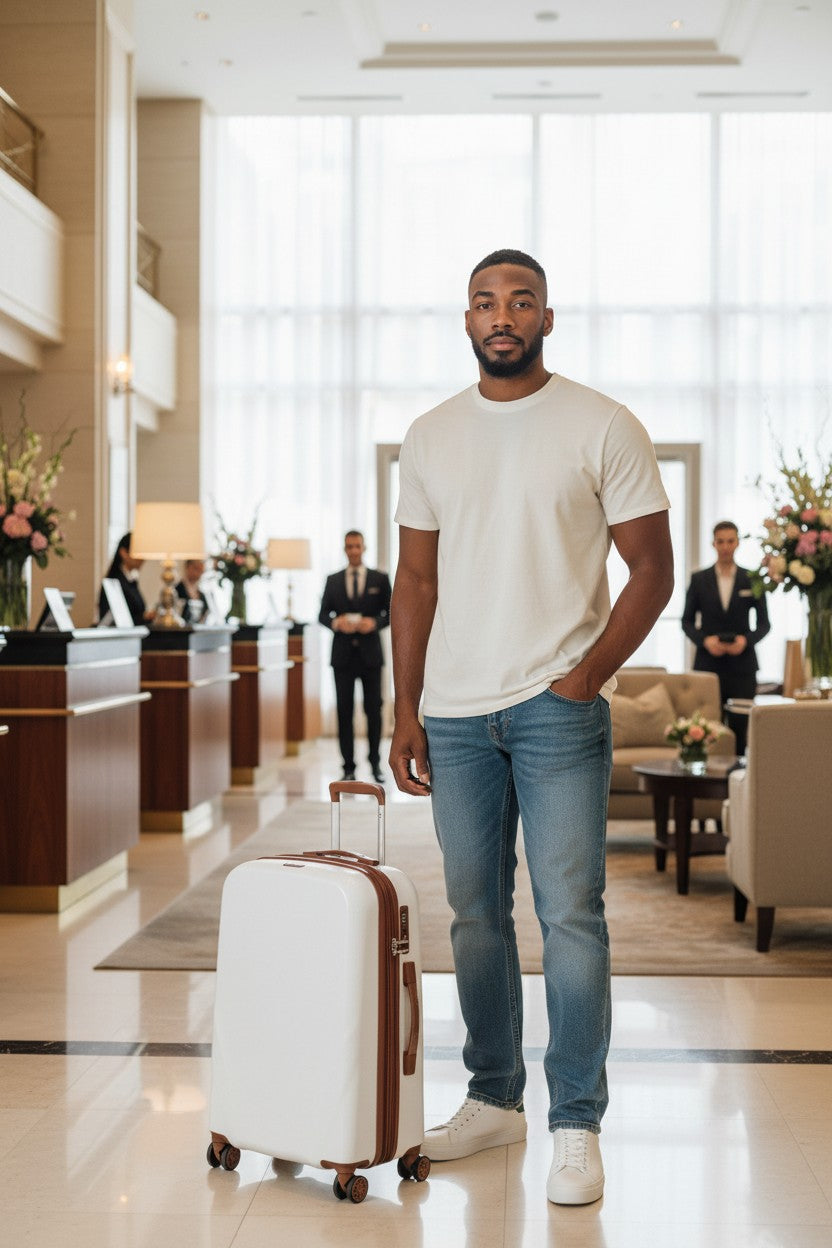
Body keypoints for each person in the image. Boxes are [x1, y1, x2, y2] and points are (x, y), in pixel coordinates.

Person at [389, 248, 673, 1205]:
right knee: (474, 918)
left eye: (520, 301)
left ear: (548, 317)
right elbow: (415, 582)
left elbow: (652, 570)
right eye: (484, 301)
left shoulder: (602, 423)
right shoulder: (429, 435)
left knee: (570, 916)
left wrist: (588, 676)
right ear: (464, 319)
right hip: (455, 715)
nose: (500, 315)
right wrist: (406, 705)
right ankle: (494, 1097)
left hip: (558, 712)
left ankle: (577, 1122)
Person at [682, 520, 770, 757]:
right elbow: (687, 622)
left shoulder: (752, 578)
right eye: (720, 541)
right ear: (713, 543)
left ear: (737, 543)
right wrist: (705, 641)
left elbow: (764, 624)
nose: (725, 546)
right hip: (708, 666)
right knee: (707, 729)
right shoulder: (699, 580)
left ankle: (740, 782)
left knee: (742, 731)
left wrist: (745, 641)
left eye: (730, 541)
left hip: (742, 667)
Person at [319, 530, 392, 783]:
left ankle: (375, 764)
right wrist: (336, 623)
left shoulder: (380, 579)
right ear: (344, 549)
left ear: (364, 547)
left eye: (357, 546)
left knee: (374, 710)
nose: (353, 550)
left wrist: (375, 623)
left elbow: (391, 612)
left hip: (371, 656)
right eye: (349, 546)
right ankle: (348, 767)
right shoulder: (333, 580)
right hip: (342, 657)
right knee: (344, 712)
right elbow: (322, 615)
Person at [98, 532, 153, 626]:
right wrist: (144, 618)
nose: (142, 558)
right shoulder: (113, 583)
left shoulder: (132, 581)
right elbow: (113, 621)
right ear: (124, 553)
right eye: (138, 552)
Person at [175, 558, 210, 625]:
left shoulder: (201, 594)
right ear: (187, 567)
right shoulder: (177, 590)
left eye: (201, 570)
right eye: (196, 569)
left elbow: (206, 611)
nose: (199, 573)